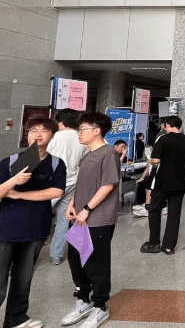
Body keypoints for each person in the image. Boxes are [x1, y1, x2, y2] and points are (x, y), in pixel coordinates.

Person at [0, 117, 66, 328]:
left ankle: (16, 319)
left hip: (35, 229)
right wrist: (13, 181)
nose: (38, 134)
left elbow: (57, 191)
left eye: (44, 130)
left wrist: (19, 195)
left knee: (24, 278)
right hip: (5, 230)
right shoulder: (10, 161)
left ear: (52, 136)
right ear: (26, 135)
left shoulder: (56, 163)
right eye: (33, 130)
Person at [61, 112, 120, 328]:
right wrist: (72, 204)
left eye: (83, 129)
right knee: (77, 259)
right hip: (80, 217)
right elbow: (82, 184)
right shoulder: (87, 154)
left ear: (96, 131)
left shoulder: (109, 153)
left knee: (96, 262)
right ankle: (83, 300)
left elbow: (108, 185)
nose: (79, 133)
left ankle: (100, 306)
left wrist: (87, 209)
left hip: (98, 218)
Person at [140, 116, 185, 255]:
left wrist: (150, 161)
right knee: (174, 213)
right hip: (180, 182)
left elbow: (156, 160)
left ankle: (154, 243)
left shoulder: (162, 139)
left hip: (162, 182)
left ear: (166, 125)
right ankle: (169, 246)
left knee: (154, 211)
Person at [47, 108, 89, 266]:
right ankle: (56, 255)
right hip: (72, 182)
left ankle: (26, 259)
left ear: (61, 122)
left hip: (52, 184)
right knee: (63, 221)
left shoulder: (54, 136)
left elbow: (43, 157)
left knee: (35, 217)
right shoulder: (81, 137)